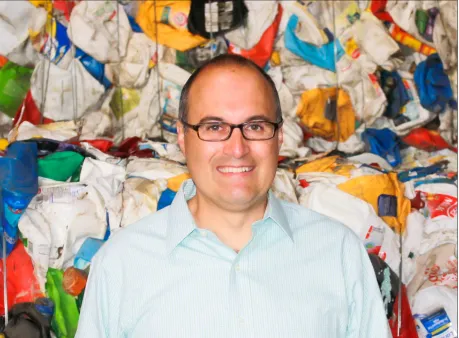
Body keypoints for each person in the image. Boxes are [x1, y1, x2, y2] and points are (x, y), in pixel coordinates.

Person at [76, 54, 390, 337]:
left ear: (280, 138)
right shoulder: (122, 263)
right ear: (183, 138)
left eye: (255, 126)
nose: (237, 149)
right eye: (214, 127)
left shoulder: (338, 253)